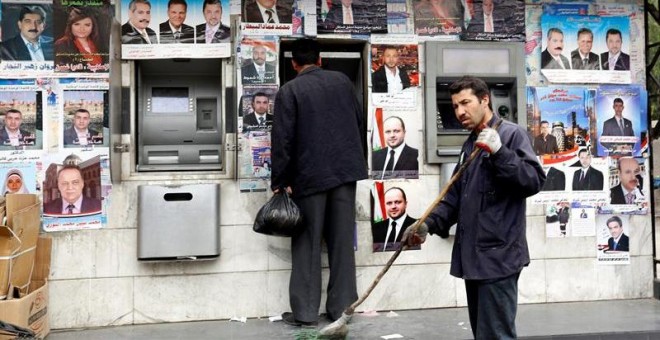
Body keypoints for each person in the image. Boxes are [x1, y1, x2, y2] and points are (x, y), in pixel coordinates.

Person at [403, 76, 545, 339]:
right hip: (475, 258)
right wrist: (427, 223)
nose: (459, 111)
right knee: (484, 335)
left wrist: (500, 152)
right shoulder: (471, 143)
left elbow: (533, 180)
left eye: (465, 103)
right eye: (455, 106)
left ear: (484, 99)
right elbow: (455, 197)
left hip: (498, 257)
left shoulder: (511, 134)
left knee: (495, 335)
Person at [271, 38, 367, 327]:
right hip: (345, 173)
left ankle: (305, 313)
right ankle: (341, 309)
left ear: (293, 63)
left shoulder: (290, 90)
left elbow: (283, 140)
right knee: (341, 243)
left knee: (307, 244)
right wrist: (356, 163)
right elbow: (359, 122)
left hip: (309, 177)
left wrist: (281, 180)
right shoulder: (343, 82)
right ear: (320, 59)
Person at [371, 187, 417, 252]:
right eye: (389, 203)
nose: (393, 207)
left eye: (398, 202)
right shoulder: (376, 228)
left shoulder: (417, 225)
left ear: (405, 204)